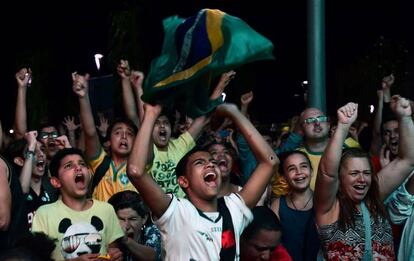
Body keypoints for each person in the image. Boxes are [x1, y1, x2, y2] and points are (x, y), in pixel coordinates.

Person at [127, 102, 277, 260]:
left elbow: (270, 162)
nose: (210, 164)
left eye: (212, 162)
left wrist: (234, 113)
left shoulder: (233, 209)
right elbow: (136, 171)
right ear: (184, 181)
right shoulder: (176, 212)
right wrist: (150, 114)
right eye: (200, 163)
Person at [315, 96, 414, 260]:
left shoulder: (374, 197)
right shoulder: (329, 207)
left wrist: (405, 118)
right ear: (340, 179)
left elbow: (408, 160)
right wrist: (343, 127)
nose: (362, 179)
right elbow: (327, 173)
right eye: (354, 173)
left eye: (367, 173)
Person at [32, 148, 124, 260]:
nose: (78, 167)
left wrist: (115, 256)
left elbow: (112, 251)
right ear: (56, 182)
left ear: (89, 174)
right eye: (68, 166)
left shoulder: (107, 209)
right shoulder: (44, 213)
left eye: (82, 164)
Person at [73, 72, 139, 201]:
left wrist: (127, 82)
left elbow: (135, 118)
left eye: (129, 134)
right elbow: (90, 133)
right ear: (108, 141)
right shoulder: (99, 163)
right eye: (118, 132)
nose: (124, 136)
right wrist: (83, 97)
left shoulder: (139, 167)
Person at [270, 151, 320, 261]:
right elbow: (272, 247)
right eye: (292, 169)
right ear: (284, 176)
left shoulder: (323, 202)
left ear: (311, 171)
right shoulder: (277, 205)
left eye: (303, 166)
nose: (299, 172)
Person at [108, 190, 162, 261]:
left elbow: (152, 256)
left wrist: (126, 240)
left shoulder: (152, 231)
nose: (126, 226)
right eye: (121, 219)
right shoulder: (108, 231)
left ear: (144, 219)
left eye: (132, 219)